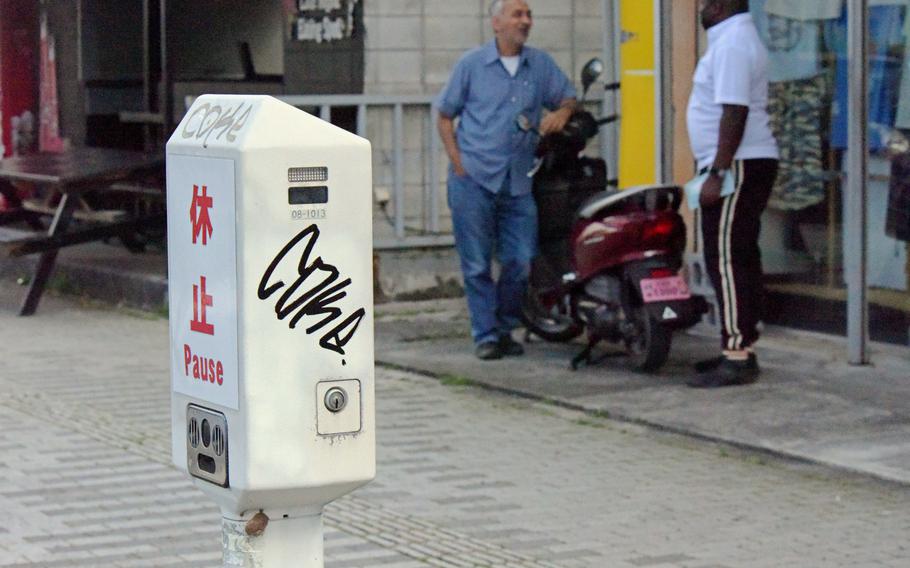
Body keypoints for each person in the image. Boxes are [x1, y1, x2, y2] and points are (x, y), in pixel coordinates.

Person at [435, 0, 577, 360]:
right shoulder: (472, 64)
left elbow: (567, 97)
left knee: (521, 259)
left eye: (528, 15)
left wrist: (561, 112)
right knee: (478, 263)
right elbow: (445, 115)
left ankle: (505, 327)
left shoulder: (539, 65)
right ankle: (486, 335)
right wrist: (458, 162)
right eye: (517, 15)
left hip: (518, 181)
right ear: (496, 22)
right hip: (474, 180)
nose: (525, 21)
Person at [685, 0, 780, 388]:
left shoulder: (733, 44)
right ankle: (739, 344)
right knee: (738, 253)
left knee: (724, 257)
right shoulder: (732, 39)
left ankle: (736, 353)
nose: (700, 8)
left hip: (736, 164)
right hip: (742, 161)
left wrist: (718, 172)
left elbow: (734, 112)